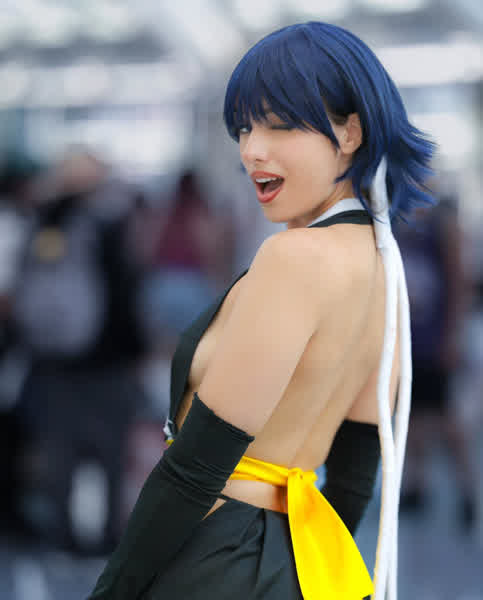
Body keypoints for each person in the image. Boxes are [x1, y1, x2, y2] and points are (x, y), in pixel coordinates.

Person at [87, 21, 435, 600]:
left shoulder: (293, 258)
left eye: (280, 124)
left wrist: (111, 592)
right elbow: (354, 475)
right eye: (245, 127)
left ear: (350, 132)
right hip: (300, 562)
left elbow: (196, 466)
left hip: (216, 560)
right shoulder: (384, 266)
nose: (251, 149)